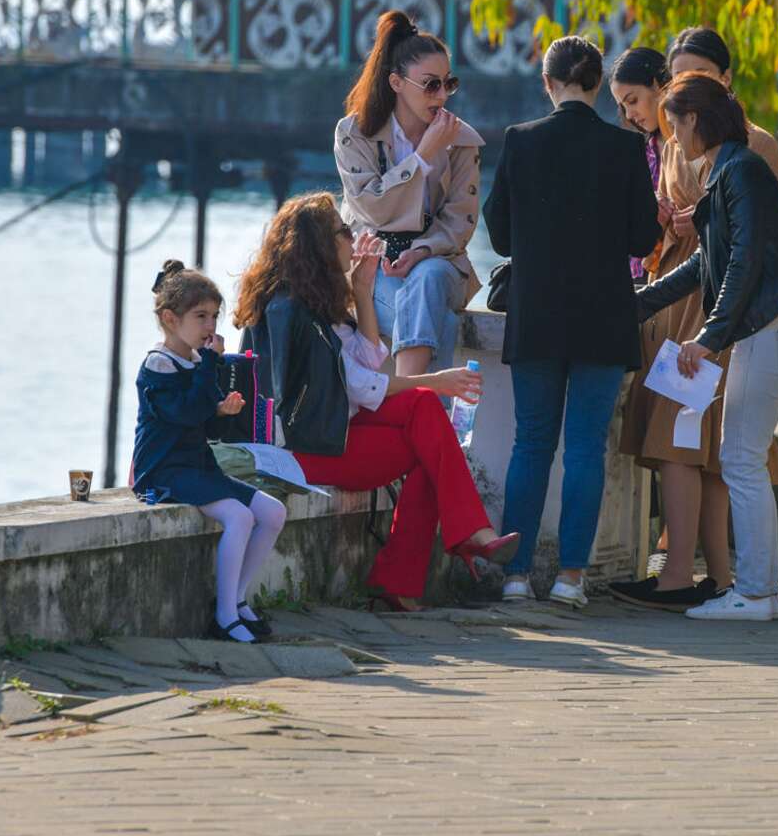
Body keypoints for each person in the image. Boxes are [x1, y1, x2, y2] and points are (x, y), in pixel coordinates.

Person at [235, 192, 515, 612]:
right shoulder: (288, 308)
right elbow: (358, 385)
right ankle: (446, 550)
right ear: (318, 244)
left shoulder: (315, 300)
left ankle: (443, 554)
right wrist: (435, 381)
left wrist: (362, 292)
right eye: (344, 231)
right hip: (300, 450)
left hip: (331, 430)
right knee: (426, 421)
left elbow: (369, 359)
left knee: (424, 421)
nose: (356, 237)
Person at [629, 73, 778, 621]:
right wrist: (638, 302)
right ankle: (763, 590)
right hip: (768, 330)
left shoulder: (741, 172)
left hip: (772, 330)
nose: (672, 137)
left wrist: (709, 339)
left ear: (693, 120)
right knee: (742, 459)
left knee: (739, 460)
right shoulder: (729, 170)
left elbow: (743, 263)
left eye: (675, 122)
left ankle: (756, 593)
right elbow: (702, 265)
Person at [482, 36, 661, 607]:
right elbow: (642, 238)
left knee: (531, 444)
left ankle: (514, 577)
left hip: (537, 316)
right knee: (586, 448)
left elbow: (500, 234)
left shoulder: (520, 141)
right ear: (595, 83)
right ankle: (571, 579)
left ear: (548, 82)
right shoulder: (625, 148)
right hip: (604, 318)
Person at [132, 260, 289, 643]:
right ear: (170, 318)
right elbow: (184, 412)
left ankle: (237, 600)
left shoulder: (199, 361)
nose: (210, 326)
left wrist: (224, 411)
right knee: (238, 516)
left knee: (272, 512)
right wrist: (212, 374)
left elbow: (206, 420)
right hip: (164, 470)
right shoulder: (158, 365)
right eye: (200, 316)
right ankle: (222, 617)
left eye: (214, 316)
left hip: (197, 466)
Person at [334, 10, 484, 379]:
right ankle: (427, 415)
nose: (442, 95)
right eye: (431, 84)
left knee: (428, 278)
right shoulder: (354, 133)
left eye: (449, 83)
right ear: (397, 83)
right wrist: (421, 158)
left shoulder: (462, 139)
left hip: (439, 259)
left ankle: (406, 397)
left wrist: (420, 250)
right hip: (372, 262)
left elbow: (461, 222)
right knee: (440, 323)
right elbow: (370, 207)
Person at [665, 27, 778, 232]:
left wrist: (711, 221)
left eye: (701, 74)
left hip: (733, 264)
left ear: (726, 78)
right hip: (680, 265)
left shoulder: (757, 144)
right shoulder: (672, 145)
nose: (690, 84)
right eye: (680, 76)